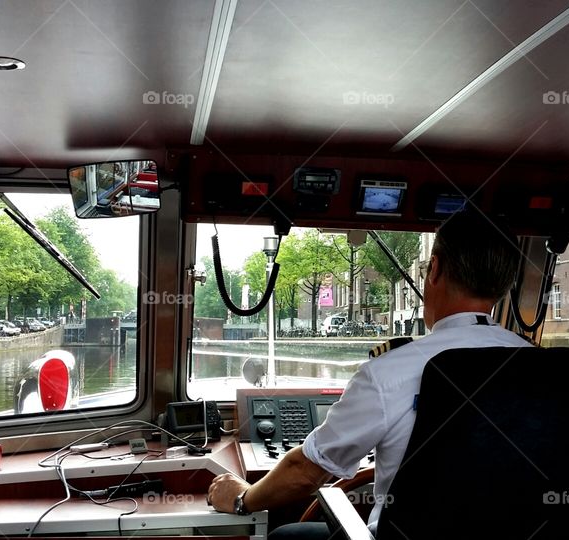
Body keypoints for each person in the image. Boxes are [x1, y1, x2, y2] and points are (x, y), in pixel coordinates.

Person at [207, 209, 530, 538]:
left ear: (434, 269)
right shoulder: (546, 369)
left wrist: (241, 499)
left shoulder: (389, 372)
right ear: (506, 283)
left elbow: (305, 473)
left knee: (286, 536)